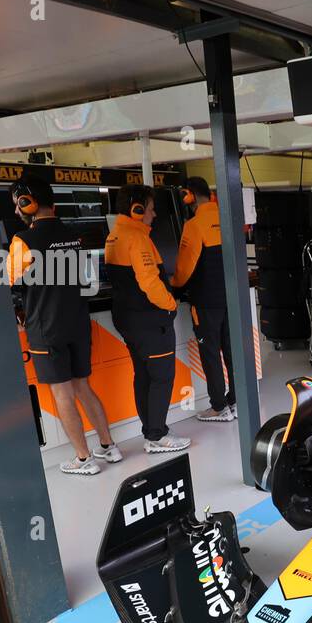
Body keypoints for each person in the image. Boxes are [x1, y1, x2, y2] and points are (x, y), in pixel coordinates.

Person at [5, 175, 121, 476]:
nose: (17, 212)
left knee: (62, 394)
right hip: (77, 323)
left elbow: (10, 280)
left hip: (47, 329)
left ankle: (84, 458)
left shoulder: (23, 240)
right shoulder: (73, 235)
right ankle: (108, 446)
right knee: (83, 386)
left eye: (18, 205)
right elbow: (85, 280)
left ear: (26, 203)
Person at [105, 184, 190, 453]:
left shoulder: (115, 235)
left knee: (143, 375)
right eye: (151, 210)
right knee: (162, 377)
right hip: (150, 321)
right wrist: (170, 305)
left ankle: (151, 430)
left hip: (129, 320)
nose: (153, 215)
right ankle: (156, 435)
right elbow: (150, 283)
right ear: (137, 210)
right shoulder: (137, 239)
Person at [172, 177, 236, 423]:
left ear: (189, 195)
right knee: (232, 351)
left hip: (206, 301)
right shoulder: (227, 217)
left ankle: (219, 407)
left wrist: (173, 287)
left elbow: (184, 269)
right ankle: (236, 401)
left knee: (210, 353)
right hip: (232, 297)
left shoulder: (194, 224)